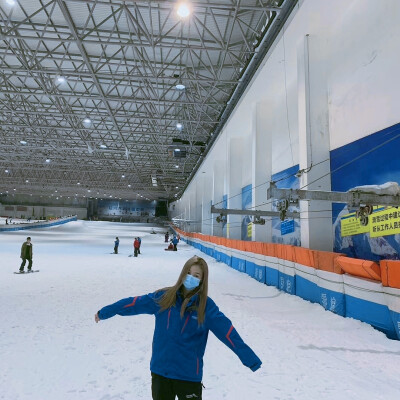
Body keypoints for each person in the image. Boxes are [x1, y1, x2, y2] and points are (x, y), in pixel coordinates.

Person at [94, 256, 261, 400]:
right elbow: (133, 303)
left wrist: (250, 359)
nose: (191, 278)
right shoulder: (164, 298)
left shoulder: (205, 307)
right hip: (161, 373)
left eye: (196, 275)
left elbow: (228, 333)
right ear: (182, 274)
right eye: (188, 273)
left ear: (202, 280)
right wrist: (105, 312)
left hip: (188, 377)